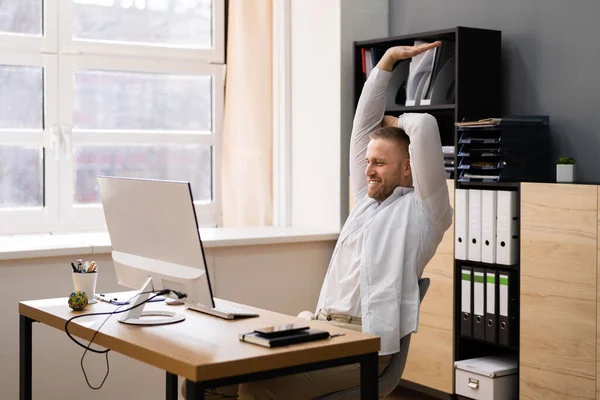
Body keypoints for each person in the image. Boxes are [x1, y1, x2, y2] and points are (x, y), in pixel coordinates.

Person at [183, 40, 453, 400]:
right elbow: (362, 129)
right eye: (368, 161)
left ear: (408, 167)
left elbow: (426, 126)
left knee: (257, 388)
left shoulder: (426, 214)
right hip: (320, 330)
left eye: (379, 163)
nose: (367, 169)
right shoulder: (364, 204)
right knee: (203, 382)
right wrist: (387, 62)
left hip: (366, 349)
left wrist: (397, 120)